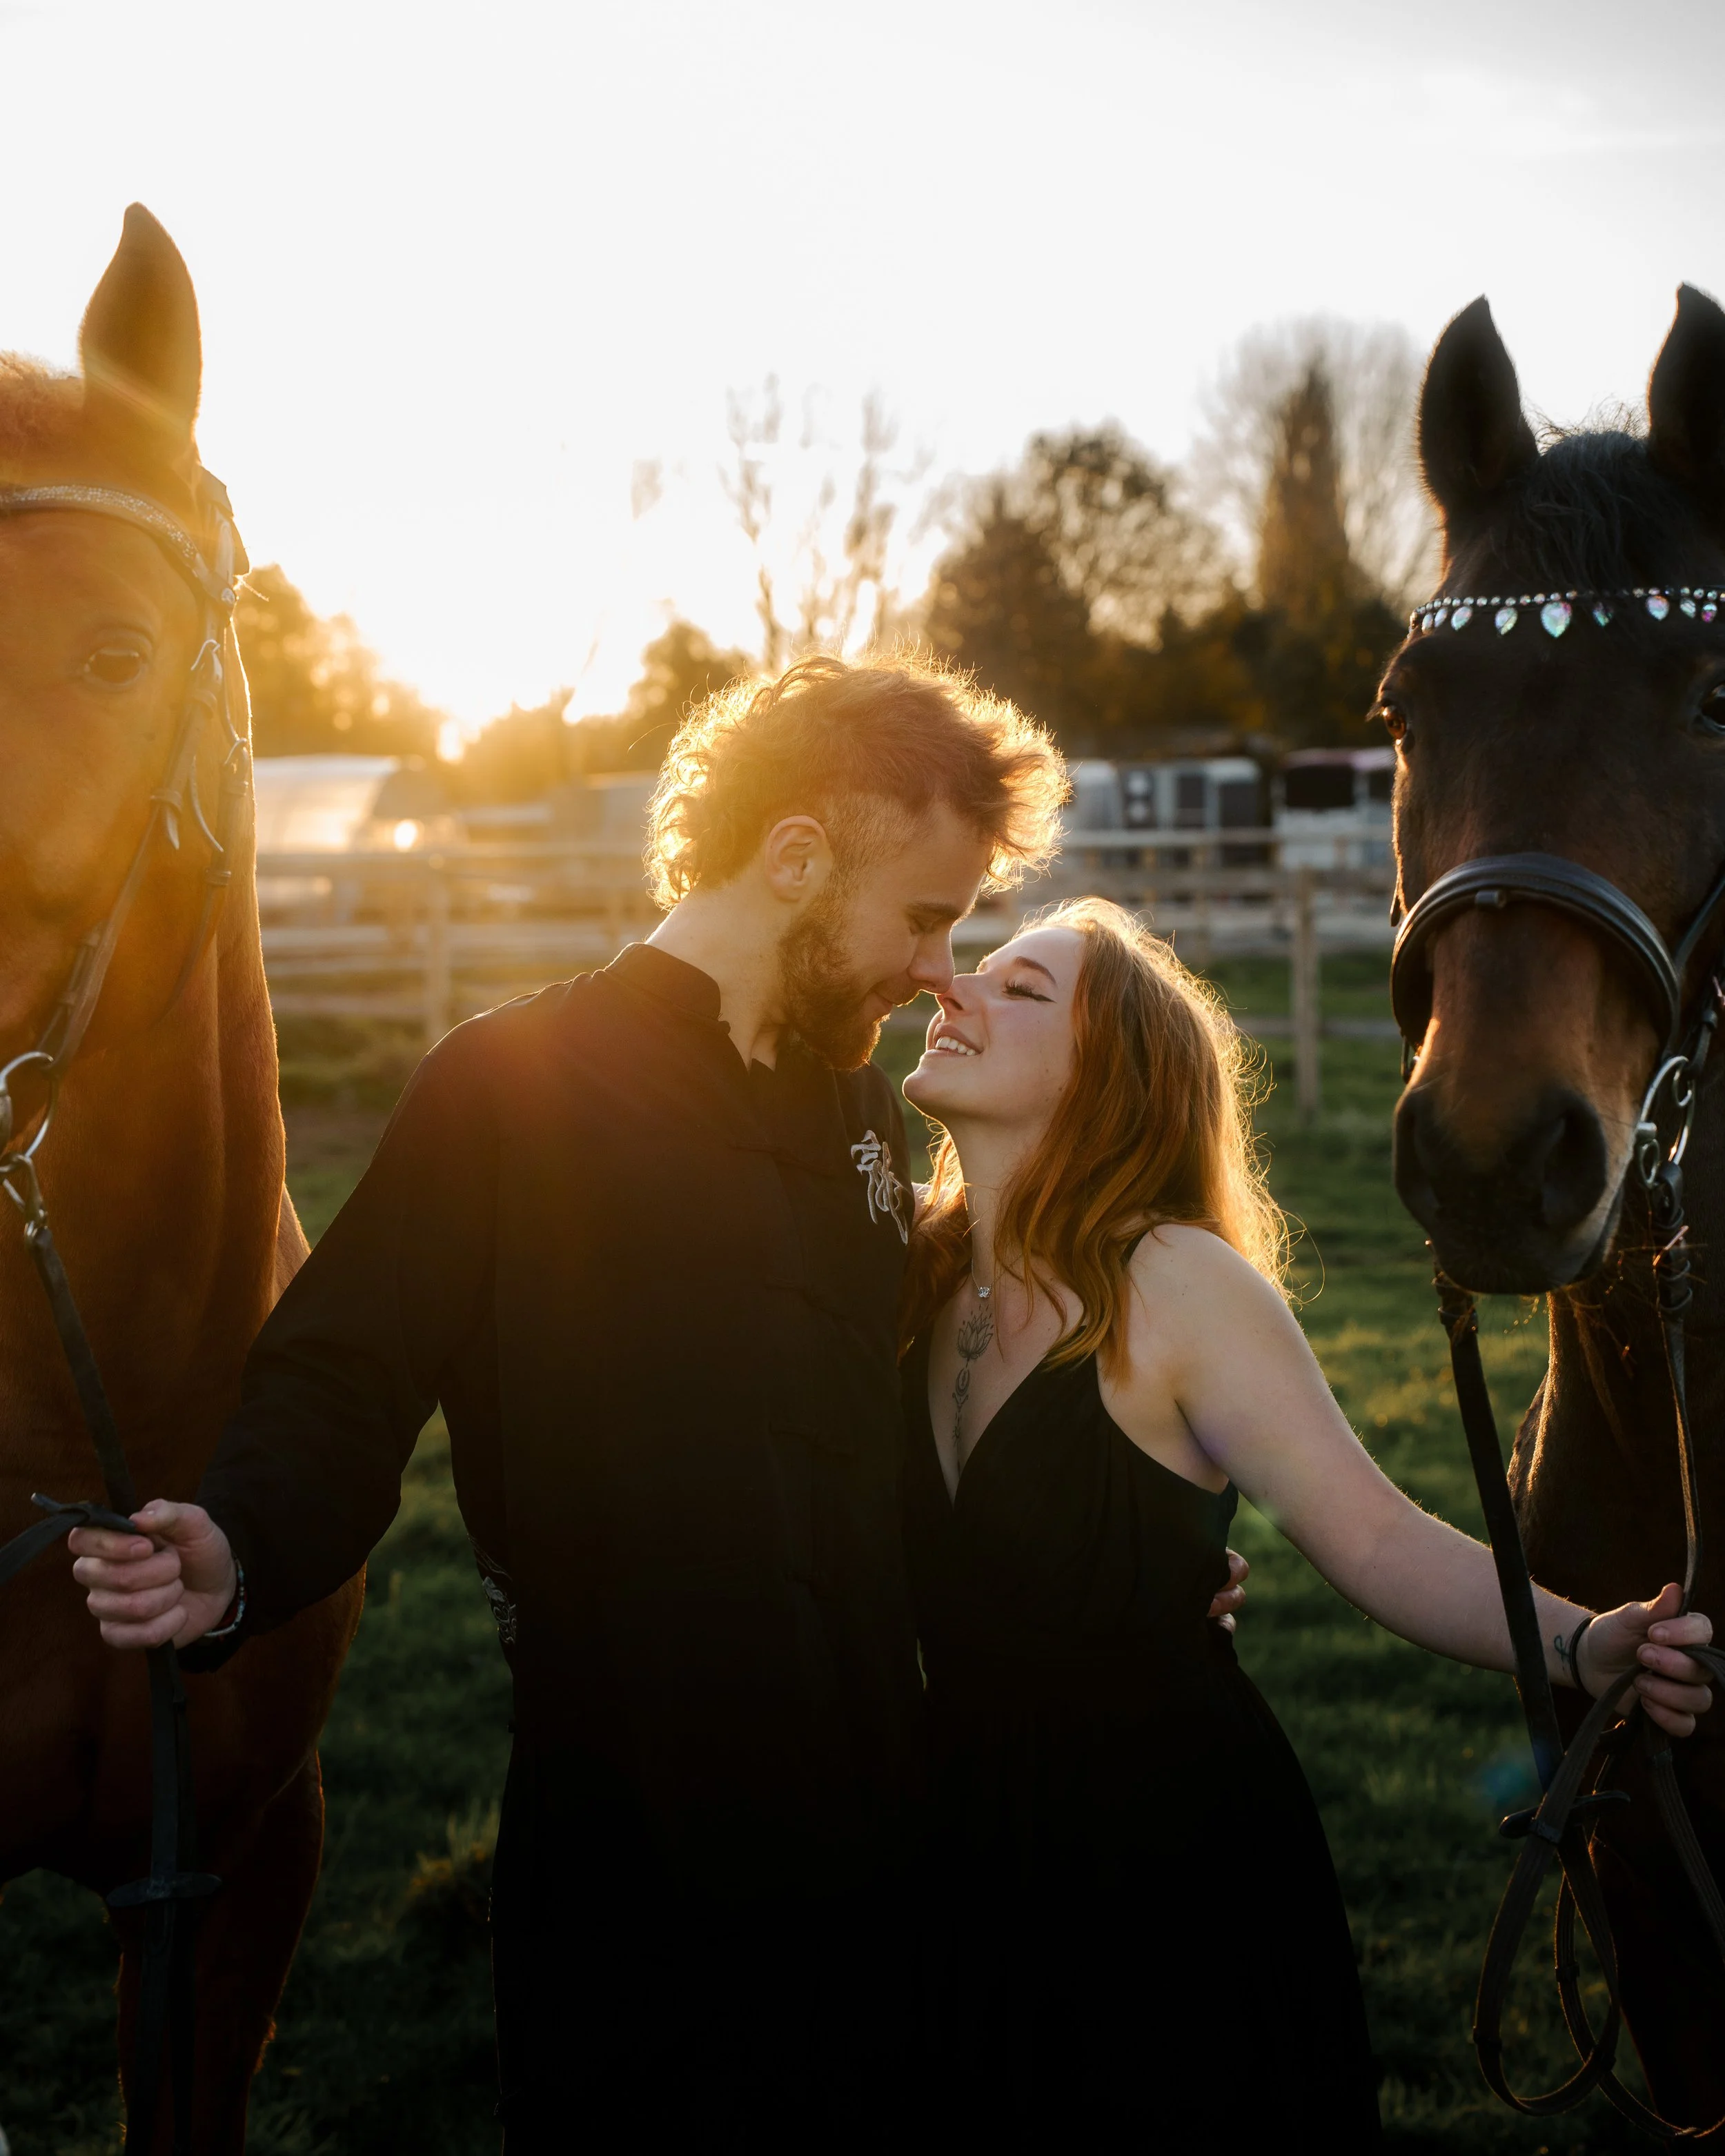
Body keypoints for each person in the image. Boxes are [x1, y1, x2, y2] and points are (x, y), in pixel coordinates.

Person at [63, 657, 1246, 2144]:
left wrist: (1121, 1561)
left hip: (893, 1839)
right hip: (630, 1858)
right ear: (796, 857)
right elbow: (343, 1368)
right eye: (925, 915)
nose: (940, 968)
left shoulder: (862, 1118)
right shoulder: (508, 1086)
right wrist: (240, 1545)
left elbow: (943, 1415)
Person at [896, 897, 1716, 2149]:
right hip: (948, 1846)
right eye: (978, 973)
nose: (954, 991)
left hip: (1155, 1863)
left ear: (1111, 1075)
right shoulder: (912, 1270)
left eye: (1022, 990)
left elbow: (1374, 1536)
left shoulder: (1170, 1282)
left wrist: (1578, 1644)